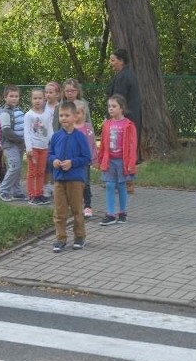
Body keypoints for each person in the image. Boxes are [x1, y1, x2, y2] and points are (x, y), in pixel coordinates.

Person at [48, 101, 91, 252]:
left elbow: (87, 157)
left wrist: (72, 162)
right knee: (59, 211)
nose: (63, 118)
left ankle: (79, 237)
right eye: (61, 115)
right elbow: (50, 154)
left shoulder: (80, 137)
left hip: (75, 179)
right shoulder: (56, 136)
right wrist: (54, 161)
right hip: (59, 179)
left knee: (76, 210)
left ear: (75, 117)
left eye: (67, 115)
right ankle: (60, 239)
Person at [97, 95, 137, 226]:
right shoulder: (107, 124)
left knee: (121, 186)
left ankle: (123, 212)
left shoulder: (129, 125)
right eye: (109, 106)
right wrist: (101, 158)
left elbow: (132, 145)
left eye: (114, 106)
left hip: (122, 161)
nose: (111, 109)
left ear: (122, 108)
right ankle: (110, 213)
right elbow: (103, 142)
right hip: (109, 160)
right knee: (109, 185)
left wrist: (131, 163)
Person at [107, 49, 142, 171]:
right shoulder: (129, 74)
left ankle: (120, 179)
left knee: (120, 150)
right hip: (132, 119)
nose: (110, 63)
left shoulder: (122, 77)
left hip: (123, 122)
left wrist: (112, 120)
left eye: (113, 60)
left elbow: (117, 101)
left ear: (121, 61)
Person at [0, 85, 26, 202]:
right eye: (11, 96)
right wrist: (19, 139)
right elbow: (6, 130)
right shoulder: (5, 112)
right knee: (14, 167)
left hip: (19, 145)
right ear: (5, 97)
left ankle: (17, 192)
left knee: (18, 169)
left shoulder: (19, 111)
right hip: (10, 144)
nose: (14, 98)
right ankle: (3, 190)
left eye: (16, 96)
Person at [24, 87, 51, 205]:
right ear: (31, 99)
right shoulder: (29, 115)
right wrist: (29, 148)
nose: (37, 101)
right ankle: (31, 195)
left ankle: (39, 194)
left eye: (40, 98)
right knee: (32, 172)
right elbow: (27, 132)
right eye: (35, 98)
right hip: (33, 148)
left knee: (41, 172)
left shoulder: (48, 113)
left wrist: (52, 143)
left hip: (44, 148)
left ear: (44, 99)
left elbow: (50, 130)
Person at [74, 100, 98, 216]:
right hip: (73, 161)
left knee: (86, 183)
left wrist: (94, 159)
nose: (76, 115)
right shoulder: (70, 128)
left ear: (83, 114)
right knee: (75, 183)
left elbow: (92, 143)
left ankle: (88, 206)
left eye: (78, 113)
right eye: (74, 113)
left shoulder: (88, 127)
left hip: (85, 161)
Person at [42, 81, 60, 199]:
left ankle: (54, 186)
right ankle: (45, 186)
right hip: (44, 139)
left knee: (55, 163)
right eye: (46, 92)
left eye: (51, 92)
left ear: (57, 94)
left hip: (57, 139)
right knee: (45, 164)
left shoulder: (61, 106)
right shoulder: (42, 106)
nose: (48, 94)